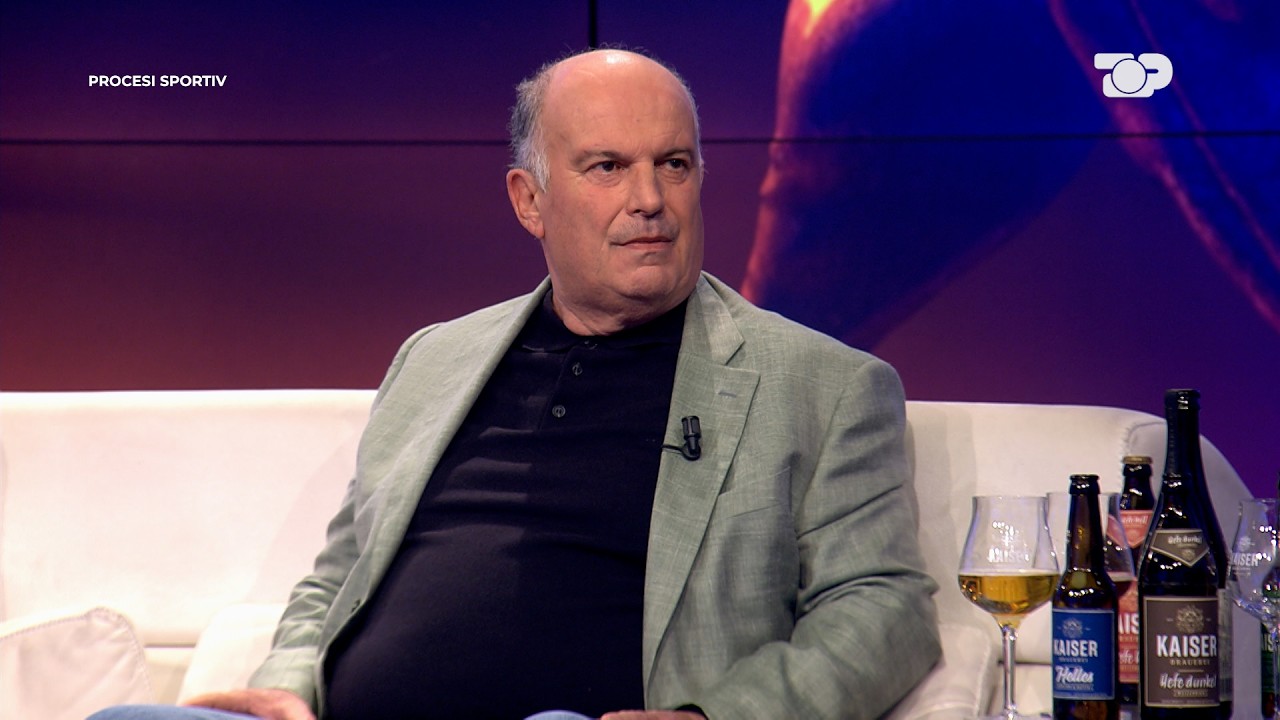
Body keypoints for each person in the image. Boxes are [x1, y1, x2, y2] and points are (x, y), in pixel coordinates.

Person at [91, 47, 941, 720]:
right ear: (529, 200)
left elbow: (884, 608)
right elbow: (338, 575)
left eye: (674, 164)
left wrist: (713, 717)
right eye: (607, 167)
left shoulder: (825, 386)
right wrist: (286, 687)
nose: (650, 198)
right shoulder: (434, 359)